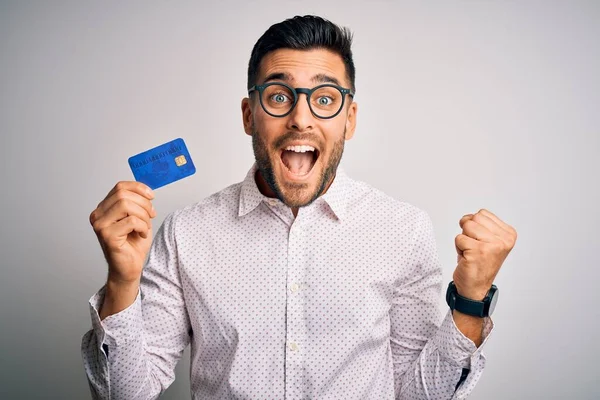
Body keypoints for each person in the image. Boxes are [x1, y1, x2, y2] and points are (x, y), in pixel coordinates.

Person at [81, 15, 517, 400]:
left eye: (325, 99)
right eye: (278, 96)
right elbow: (125, 395)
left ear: (350, 119)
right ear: (250, 115)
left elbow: (417, 396)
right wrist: (122, 283)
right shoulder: (185, 234)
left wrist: (471, 302)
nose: (301, 119)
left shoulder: (401, 230)